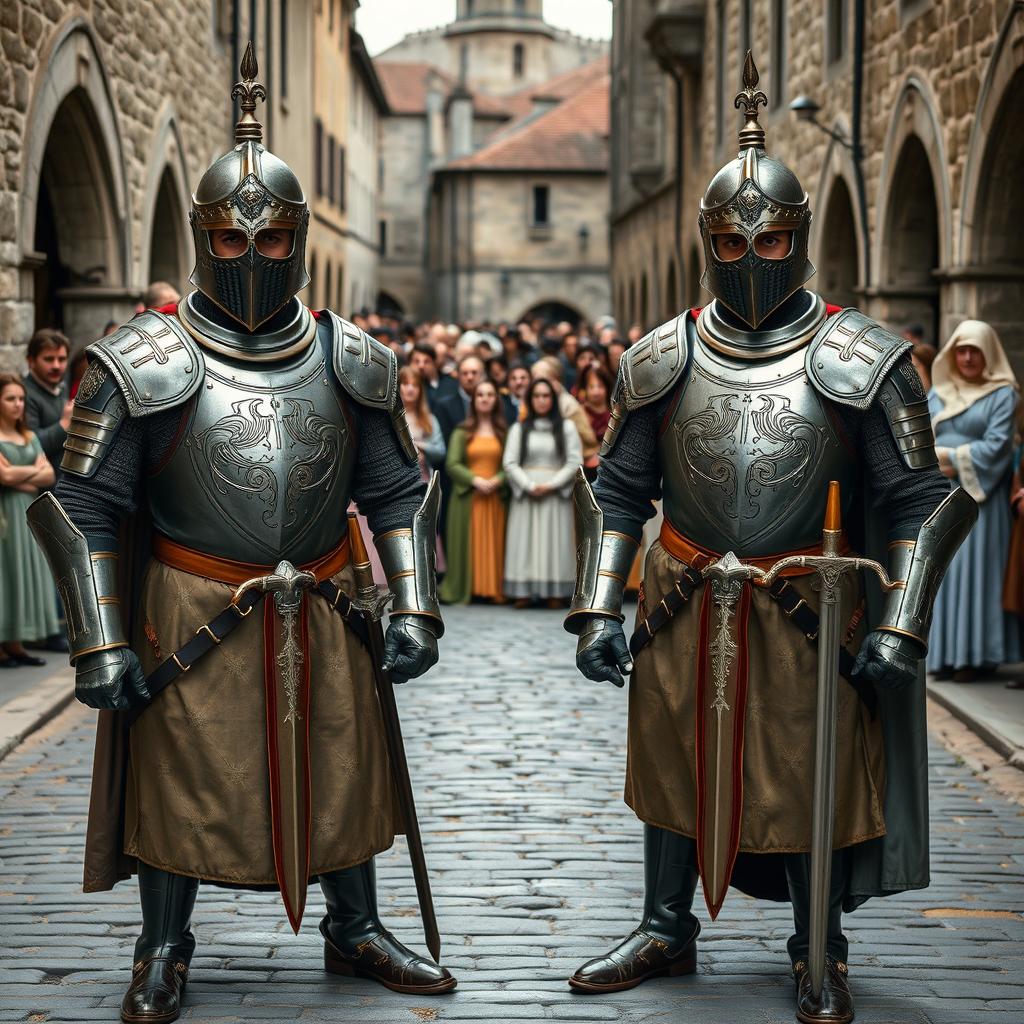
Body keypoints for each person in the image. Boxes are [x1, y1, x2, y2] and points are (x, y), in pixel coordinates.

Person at [27, 49, 455, 1024]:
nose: (254, 256)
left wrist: (416, 607)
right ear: (202, 235)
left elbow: (396, 488)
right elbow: (82, 504)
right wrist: (98, 638)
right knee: (182, 774)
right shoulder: (141, 359)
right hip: (193, 599)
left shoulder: (355, 357)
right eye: (232, 236)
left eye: (273, 240)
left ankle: (354, 926)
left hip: (331, 594)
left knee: (342, 765)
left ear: (300, 238)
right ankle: (165, 942)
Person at [564, 53, 974, 1024]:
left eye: (772, 238)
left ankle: (817, 940)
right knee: (673, 765)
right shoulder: (659, 357)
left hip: (808, 605)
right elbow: (618, 491)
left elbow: (918, 498)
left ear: (798, 242)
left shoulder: (862, 357)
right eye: (732, 240)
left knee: (809, 767)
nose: (751, 256)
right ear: (708, 241)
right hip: (680, 592)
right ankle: (666, 923)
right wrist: (595, 605)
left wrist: (899, 623)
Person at [927, 320, 1020, 682]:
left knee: (977, 574)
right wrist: (943, 460)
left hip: (980, 500)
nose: (966, 358)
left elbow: (996, 447)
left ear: (988, 354)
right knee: (943, 574)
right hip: (942, 498)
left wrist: (946, 456)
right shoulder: (940, 392)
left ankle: (977, 656)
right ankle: (945, 655)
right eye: (961, 350)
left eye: (974, 351)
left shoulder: (1002, 395)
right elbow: (921, 441)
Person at [503, 378, 582, 607]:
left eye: (546, 396)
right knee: (525, 541)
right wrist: (528, 485)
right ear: (530, 399)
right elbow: (509, 462)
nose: (541, 400)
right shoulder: (519, 428)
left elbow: (574, 461)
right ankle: (523, 591)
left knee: (554, 541)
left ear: (553, 400)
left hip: (555, 494)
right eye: (537, 395)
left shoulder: (566, 427)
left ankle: (555, 591)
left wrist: (553, 484)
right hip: (527, 492)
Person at [0, 375, 59, 669]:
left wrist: (17, 476)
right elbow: (3, 477)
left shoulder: (30, 437)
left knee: (24, 573)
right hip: (5, 514)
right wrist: (30, 473)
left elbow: (48, 476)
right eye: (10, 398)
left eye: (21, 399)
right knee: (6, 576)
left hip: (26, 510)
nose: (17, 404)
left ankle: (16, 643)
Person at [439, 381, 507, 605]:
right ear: (474, 400)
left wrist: (498, 479)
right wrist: (475, 480)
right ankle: (471, 589)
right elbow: (452, 463)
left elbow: (510, 463)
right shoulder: (462, 431)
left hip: (495, 497)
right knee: (470, 545)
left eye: (490, 394)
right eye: (480, 395)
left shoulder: (503, 432)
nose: (485, 398)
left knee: (494, 544)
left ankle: (491, 589)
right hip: (469, 496)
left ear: (496, 400)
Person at [23, 328, 73, 478]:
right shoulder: (22, 394)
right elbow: (27, 446)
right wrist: (64, 424)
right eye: (49, 359)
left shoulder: (61, 386)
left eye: (62, 359)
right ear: (31, 361)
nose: (56, 366)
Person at [577, 364, 613, 482]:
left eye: (600, 386)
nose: (596, 391)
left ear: (607, 388)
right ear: (585, 390)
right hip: (586, 469)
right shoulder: (580, 414)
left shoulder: (615, 413)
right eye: (591, 387)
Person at [410, 341, 458, 412]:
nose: (421, 366)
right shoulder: (403, 386)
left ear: (434, 363)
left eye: (426, 361)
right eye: (417, 361)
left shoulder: (450, 382)